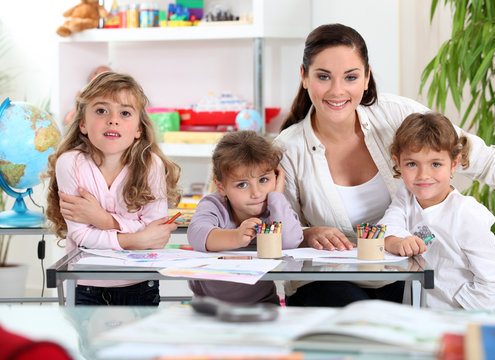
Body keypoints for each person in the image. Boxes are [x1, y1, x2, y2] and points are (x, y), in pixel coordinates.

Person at [273, 23, 495, 307]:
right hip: (327, 283)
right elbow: (272, 229)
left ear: (366, 78)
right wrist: (306, 233)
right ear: (304, 77)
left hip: (401, 279)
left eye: (350, 77)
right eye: (323, 77)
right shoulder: (287, 149)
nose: (337, 91)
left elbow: (480, 158)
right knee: (372, 331)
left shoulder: (396, 115)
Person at [45, 71, 182, 306]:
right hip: (85, 283)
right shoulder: (70, 163)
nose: (113, 119)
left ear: (139, 129)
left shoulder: (151, 165)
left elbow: (156, 235)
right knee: (88, 344)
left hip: (140, 283)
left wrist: (102, 219)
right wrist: (136, 239)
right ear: (83, 124)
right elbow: (81, 236)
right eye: (101, 110)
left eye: (125, 113)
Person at [380, 112, 495, 310]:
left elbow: (494, 279)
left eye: (436, 164)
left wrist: (463, 317)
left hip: (464, 317)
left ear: (454, 164)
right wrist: (398, 242)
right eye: (412, 164)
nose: (423, 175)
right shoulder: (406, 195)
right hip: (421, 314)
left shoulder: (466, 214)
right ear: (398, 162)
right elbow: (386, 229)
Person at [187, 130, 303, 304]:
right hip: (209, 305)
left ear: (277, 177)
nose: (256, 193)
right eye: (242, 184)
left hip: (262, 304)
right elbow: (196, 234)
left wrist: (277, 195)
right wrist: (235, 236)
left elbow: (290, 242)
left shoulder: (276, 207)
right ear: (221, 187)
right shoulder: (215, 205)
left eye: (264, 180)